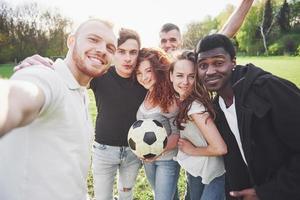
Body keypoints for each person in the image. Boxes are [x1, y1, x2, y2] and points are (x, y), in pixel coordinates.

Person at [0, 19, 117, 200]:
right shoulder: (45, 76)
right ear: (71, 41)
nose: (102, 50)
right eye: (93, 39)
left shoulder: (81, 92)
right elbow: (15, 98)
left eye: (110, 48)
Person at [195, 33, 300, 200]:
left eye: (219, 63)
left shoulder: (268, 89)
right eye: (203, 65)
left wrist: (268, 192)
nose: (210, 71)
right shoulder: (216, 110)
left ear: (233, 62)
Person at [90, 28, 146, 200]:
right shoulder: (99, 75)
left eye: (133, 52)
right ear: (113, 52)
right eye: (121, 52)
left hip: (133, 151)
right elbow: (71, 74)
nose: (128, 58)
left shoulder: (144, 79)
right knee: (102, 197)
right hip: (104, 150)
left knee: (126, 196)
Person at [169, 51, 227, 200]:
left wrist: (192, 150)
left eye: (191, 76)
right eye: (180, 75)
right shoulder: (181, 101)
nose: (185, 82)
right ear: (171, 76)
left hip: (214, 173)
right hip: (197, 169)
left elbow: (220, 148)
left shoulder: (195, 106)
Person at [135, 48, 180, 200]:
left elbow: (177, 135)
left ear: (158, 69)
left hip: (167, 160)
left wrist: (155, 151)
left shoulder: (170, 98)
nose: (144, 77)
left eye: (148, 71)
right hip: (148, 160)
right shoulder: (147, 92)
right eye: (139, 73)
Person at [159, 0, 255, 54]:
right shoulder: (151, 63)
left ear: (181, 42)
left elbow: (225, 33)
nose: (167, 45)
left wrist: (247, 2)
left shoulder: (189, 58)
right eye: (163, 41)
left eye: (173, 40)